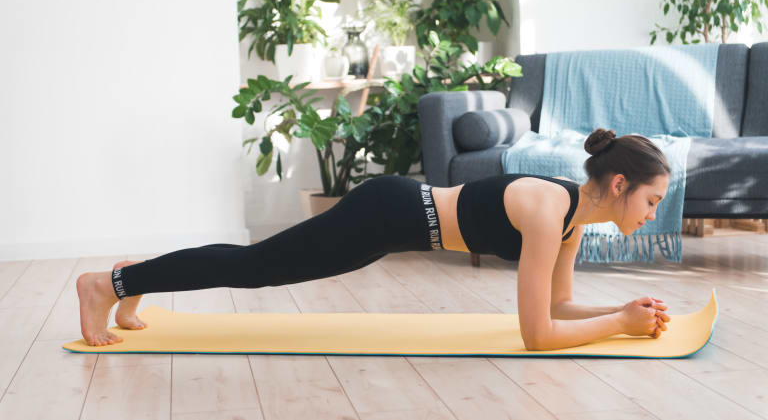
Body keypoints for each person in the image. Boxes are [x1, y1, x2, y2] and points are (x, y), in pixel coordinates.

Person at [76, 127, 672, 349]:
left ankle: (138, 275)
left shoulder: (571, 219)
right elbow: (537, 335)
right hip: (385, 213)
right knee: (254, 266)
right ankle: (108, 283)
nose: (651, 214)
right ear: (619, 183)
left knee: (256, 263)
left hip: (392, 228)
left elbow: (559, 307)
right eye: (651, 200)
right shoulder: (549, 210)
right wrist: (618, 326)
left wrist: (620, 309)